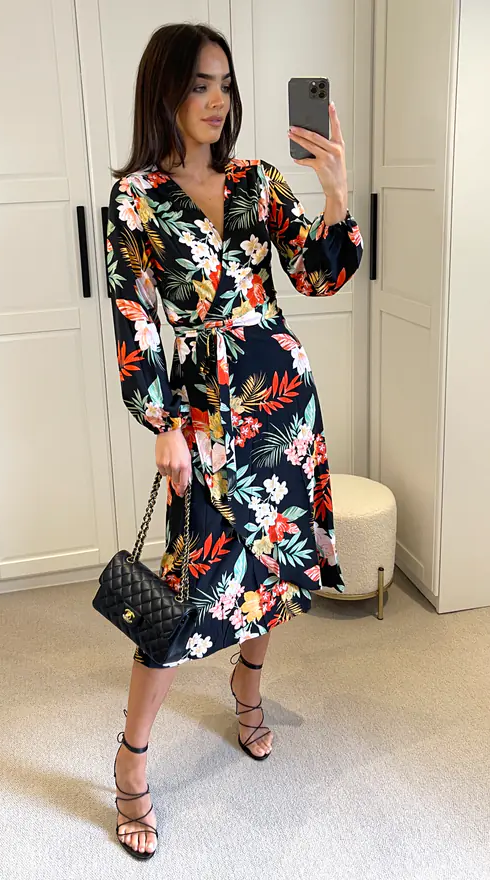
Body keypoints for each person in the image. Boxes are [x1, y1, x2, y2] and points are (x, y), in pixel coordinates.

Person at [105, 22, 363, 860]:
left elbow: (318, 274)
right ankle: (132, 759)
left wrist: (335, 193)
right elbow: (136, 316)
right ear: (165, 92)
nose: (216, 101)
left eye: (224, 84)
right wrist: (163, 425)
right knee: (188, 589)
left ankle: (248, 693)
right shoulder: (137, 197)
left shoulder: (258, 180)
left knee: (273, 571)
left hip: (281, 400)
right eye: (198, 85)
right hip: (206, 410)